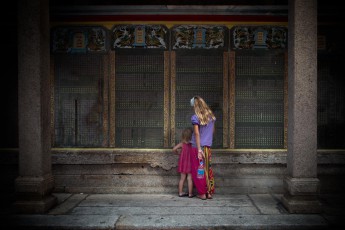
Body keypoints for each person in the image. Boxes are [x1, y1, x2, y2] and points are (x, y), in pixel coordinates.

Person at [189, 96, 216, 200]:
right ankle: (209, 192)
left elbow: (196, 133)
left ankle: (202, 193)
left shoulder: (195, 117)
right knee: (207, 169)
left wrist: (199, 149)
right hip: (207, 147)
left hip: (198, 148)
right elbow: (212, 132)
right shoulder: (211, 117)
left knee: (199, 170)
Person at [172, 127, 194, 198]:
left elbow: (174, 149)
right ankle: (190, 194)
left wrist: (177, 153)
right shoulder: (193, 144)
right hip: (190, 163)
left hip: (183, 163)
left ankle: (180, 193)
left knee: (182, 179)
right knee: (190, 178)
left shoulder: (182, 144)